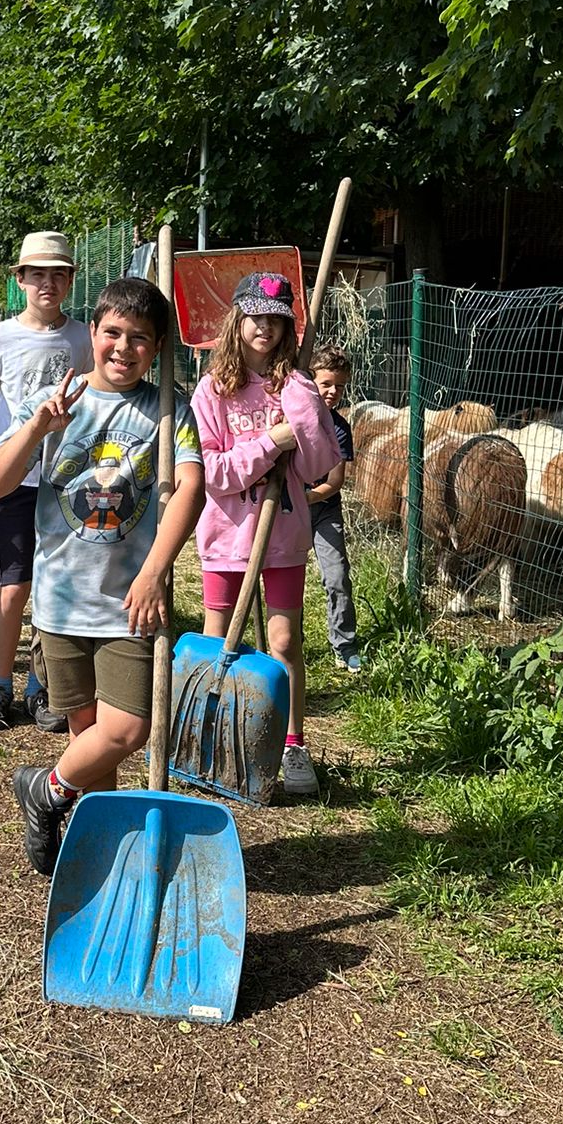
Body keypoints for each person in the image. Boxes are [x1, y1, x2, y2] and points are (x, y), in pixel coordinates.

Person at [0, 275, 204, 873]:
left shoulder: (168, 409)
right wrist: (36, 428)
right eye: (113, 333)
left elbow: (191, 489)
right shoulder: (60, 399)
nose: (124, 348)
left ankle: (45, 789)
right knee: (88, 734)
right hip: (61, 598)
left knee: (128, 728)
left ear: (157, 348)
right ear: (93, 333)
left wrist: (155, 571)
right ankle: (101, 848)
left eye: (140, 338)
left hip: (129, 600)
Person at [192, 273, 340, 798]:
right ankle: (209, 735)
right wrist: (272, 440)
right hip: (226, 535)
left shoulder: (294, 387)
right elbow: (215, 474)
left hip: (283, 533)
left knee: (284, 641)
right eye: (256, 317)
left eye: (276, 319)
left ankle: (291, 743)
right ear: (238, 320)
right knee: (217, 640)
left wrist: (304, 407)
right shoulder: (212, 390)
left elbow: (318, 467)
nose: (266, 328)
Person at [0, 232, 93, 731]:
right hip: (15, 476)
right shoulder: (0, 336)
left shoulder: (84, 337)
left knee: (54, 585)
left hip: (67, 480)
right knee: (14, 585)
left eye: (58, 274)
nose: (48, 283)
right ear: (19, 280)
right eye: (37, 273)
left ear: (70, 281)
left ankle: (42, 686)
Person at [307, 343, 362, 673]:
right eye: (326, 383)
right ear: (309, 380)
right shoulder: (291, 417)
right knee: (285, 577)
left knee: (337, 576)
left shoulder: (339, 429)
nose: (333, 391)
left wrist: (306, 498)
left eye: (339, 386)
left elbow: (334, 481)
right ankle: (287, 640)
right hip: (288, 511)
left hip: (324, 509)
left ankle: (344, 643)